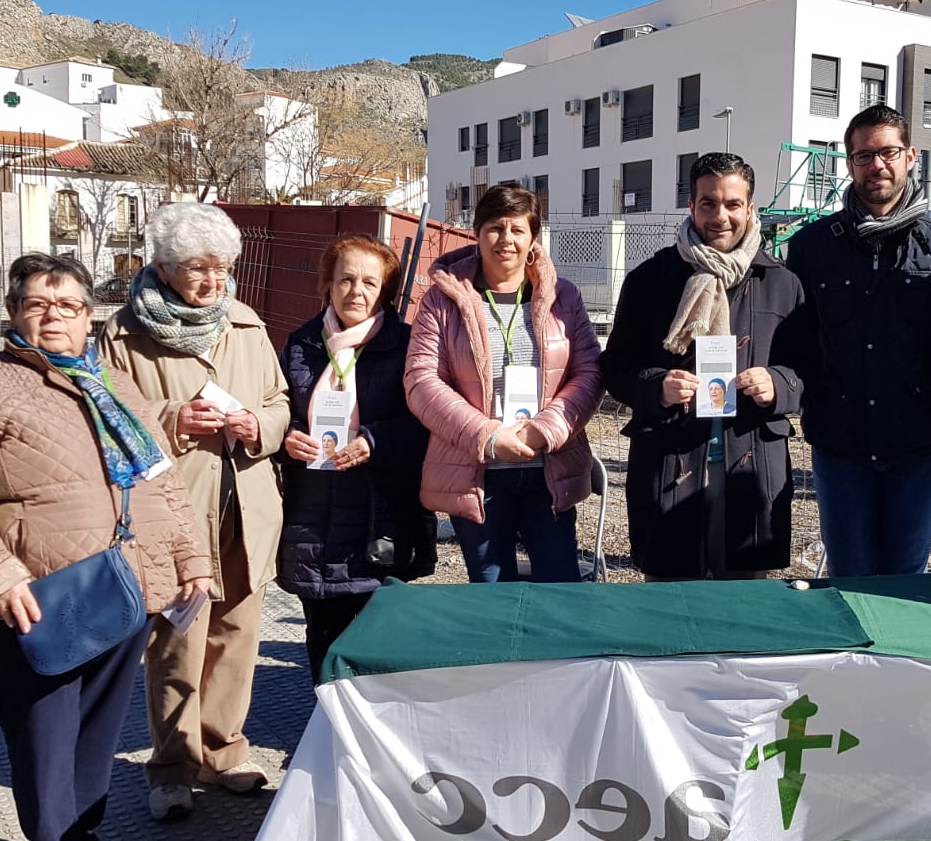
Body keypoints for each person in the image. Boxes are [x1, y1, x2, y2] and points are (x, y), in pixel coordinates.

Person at [0, 253, 210, 841]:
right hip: (40, 595)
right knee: (43, 728)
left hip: (126, 584)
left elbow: (162, 482)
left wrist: (192, 559)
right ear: (14, 312)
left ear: (88, 316)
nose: (54, 316)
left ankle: (80, 838)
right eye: (38, 304)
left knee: (98, 727)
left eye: (69, 305)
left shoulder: (115, 386)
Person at [98, 203, 290, 822]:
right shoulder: (124, 333)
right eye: (197, 268)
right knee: (177, 640)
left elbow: (279, 400)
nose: (212, 280)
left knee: (237, 634)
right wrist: (173, 419)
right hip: (174, 512)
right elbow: (105, 416)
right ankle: (172, 768)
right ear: (162, 267)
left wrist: (260, 424)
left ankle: (224, 751)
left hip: (246, 502)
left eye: (221, 267)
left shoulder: (245, 323)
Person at [785, 104, 931, 577]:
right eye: (863, 156)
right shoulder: (812, 247)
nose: (877, 165)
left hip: (919, 447)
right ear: (849, 163)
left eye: (888, 152)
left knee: (906, 580)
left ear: (910, 156)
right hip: (840, 447)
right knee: (849, 575)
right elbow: (798, 340)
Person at [600, 152, 806, 580]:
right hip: (670, 463)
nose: (720, 216)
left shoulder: (781, 283)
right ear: (692, 206)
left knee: (742, 602)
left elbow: (809, 369)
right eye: (709, 203)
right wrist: (656, 385)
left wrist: (778, 383)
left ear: (750, 208)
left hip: (751, 465)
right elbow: (615, 365)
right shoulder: (650, 280)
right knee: (670, 599)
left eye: (733, 204)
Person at [405, 182, 602, 582]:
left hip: (549, 470)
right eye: (495, 227)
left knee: (560, 590)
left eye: (517, 229)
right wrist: (489, 436)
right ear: (477, 232)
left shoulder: (564, 297)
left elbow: (590, 372)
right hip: (475, 472)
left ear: (533, 238)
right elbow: (421, 380)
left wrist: (545, 430)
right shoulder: (442, 300)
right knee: (492, 593)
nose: (506, 239)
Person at [277, 234, 429, 682]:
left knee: (375, 644)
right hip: (312, 517)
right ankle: (324, 721)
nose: (356, 291)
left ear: (385, 291)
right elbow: (277, 407)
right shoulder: (301, 344)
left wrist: (374, 441)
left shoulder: (407, 345)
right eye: (345, 280)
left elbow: (426, 424)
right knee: (321, 638)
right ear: (327, 284)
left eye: (369, 282)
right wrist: (289, 436)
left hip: (378, 520)